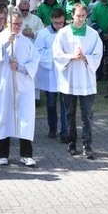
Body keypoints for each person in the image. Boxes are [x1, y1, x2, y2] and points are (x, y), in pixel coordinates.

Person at [0, 11, 40, 167]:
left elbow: (35, 61)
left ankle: (26, 154)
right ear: (6, 24)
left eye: (18, 24)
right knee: (4, 117)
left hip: (23, 87)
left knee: (25, 118)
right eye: (13, 24)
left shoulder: (27, 42)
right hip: (4, 86)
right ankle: (2, 154)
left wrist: (21, 67)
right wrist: (7, 43)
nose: (16, 27)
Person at [53, 3, 103, 158]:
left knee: (87, 114)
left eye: (83, 15)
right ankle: (71, 143)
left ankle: (87, 144)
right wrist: (71, 57)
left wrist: (84, 57)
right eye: (78, 15)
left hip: (86, 80)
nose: (81, 18)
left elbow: (98, 55)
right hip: (69, 79)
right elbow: (57, 54)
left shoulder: (93, 34)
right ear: (72, 16)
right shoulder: (63, 33)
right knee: (70, 113)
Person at [34, 8, 68, 141]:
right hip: (51, 74)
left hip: (65, 72)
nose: (59, 26)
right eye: (56, 23)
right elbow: (38, 52)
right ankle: (52, 127)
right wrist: (54, 53)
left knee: (65, 103)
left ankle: (65, 131)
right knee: (51, 103)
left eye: (61, 23)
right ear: (51, 20)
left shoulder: (68, 32)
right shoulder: (43, 34)